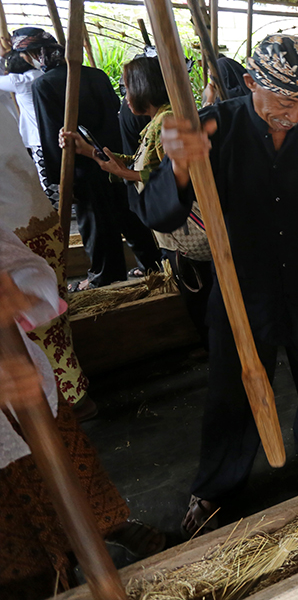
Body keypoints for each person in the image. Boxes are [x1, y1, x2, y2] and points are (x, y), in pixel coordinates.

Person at [133, 35, 298, 537]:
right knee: (232, 390)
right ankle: (217, 486)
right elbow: (156, 213)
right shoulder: (213, 127)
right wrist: (178, 165)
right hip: (243, 285)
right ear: (250, 84)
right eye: (285, 101)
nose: (296, 113)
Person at [0, 227, 164, 598]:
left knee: (69, 480)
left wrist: (18, 291)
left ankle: (99, 533)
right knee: (23, 562)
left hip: (26, 395)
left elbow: (24, 266)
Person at [61, 56, 214, 343]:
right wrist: (90, 153)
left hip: (187, 233)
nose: (124, 96)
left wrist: (123, 172)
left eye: (126, 88)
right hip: (175, 234)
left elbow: (177, 176)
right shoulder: (157, 122)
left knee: (202, 303)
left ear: (145, 87)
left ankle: (217, 354)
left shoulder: (167, 121)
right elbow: (146, 165)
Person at [27, 27, 162, 289]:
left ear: (35, 55)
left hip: (82, 167)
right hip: (112, 157)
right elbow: (114, 115)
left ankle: (106, 275)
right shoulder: (96, 76)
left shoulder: (44, 84)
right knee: (129, 215)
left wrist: (59, 178)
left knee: (96, 225)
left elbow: (53, 132)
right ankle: (152, 263)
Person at [0, 92, 94, 418]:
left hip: (12, 238)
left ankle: (61, 405)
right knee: (52, 320)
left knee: (31, 330)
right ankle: (76, 392)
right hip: (40, 223)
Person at [0, 46, 45, 192]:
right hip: (54, 132)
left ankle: (57, 211)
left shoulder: (19, 81)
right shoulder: (40, 74)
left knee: (46, 180)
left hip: (37, 138)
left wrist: (2, 59)